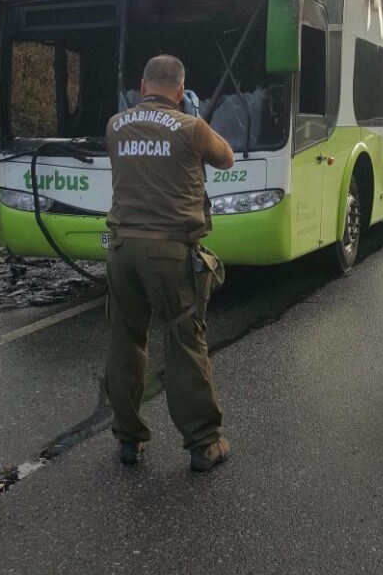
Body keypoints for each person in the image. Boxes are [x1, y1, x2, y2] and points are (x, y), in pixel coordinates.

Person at [104, 54, 235, 472]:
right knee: (183, 344)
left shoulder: (114, 126)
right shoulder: (191, 127)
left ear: (142, 87)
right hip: (169, 253)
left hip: (122, 250)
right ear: (180, 91)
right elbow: (226, 157)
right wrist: (193, 118)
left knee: (125, 344)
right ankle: (203, 443)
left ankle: (129, 439)